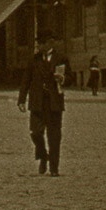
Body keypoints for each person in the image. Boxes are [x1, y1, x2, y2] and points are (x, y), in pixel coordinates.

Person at [17, 40, 65, 176]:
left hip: (54, 103)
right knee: (36, 132)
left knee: (54, 136)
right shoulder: (34, 60)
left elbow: (71, 77)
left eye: (41, 44)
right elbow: (26, 80)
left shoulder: (61, 58)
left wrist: (62, 79)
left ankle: (54, 168)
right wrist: (21, 100)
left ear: (50, 43)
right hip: (37, 103)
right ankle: (43, 155)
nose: (38, 47)